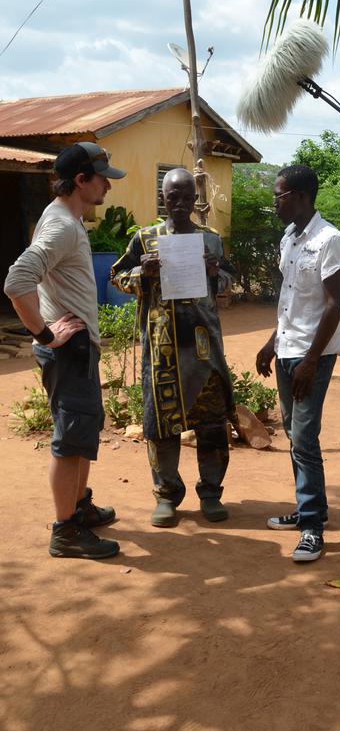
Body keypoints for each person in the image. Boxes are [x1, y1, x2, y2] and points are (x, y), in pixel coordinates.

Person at [4, 142, 126, 560]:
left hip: (76, 348)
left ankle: (79, 507)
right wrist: (42, 334)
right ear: (81, 179)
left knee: (83, 429)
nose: (108, 187)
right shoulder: (62, 226)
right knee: (71, 439)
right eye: (103, 178)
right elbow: (17, 280)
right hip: (67, 349)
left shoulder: (62, 219)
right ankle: (65, 530)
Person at [110, 168, 234, 528]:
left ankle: (210, 492)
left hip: (203, 347)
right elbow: (116, 276)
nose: (179, 204)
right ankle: (166, 496)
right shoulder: (145, 239)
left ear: (195, 199)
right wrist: (140, 274)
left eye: (186, 197)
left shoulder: (211, 240)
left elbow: (229, 281)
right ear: (162, 199)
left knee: (211, 424)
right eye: (172, 197)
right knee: (160, 425)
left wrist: (216, 275)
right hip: (162, 348)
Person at [255, 164, 340, 563]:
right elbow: (292, 301)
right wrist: (271, 343)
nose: (274, 202)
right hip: (289, 348)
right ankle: (308, 508)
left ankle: (312, 527)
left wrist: (312, 359)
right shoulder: (289, 239)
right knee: (295, 434)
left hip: (315, 354)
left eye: (279, 195)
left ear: (300, 196)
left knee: (305, 437)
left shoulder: (331, 241)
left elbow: (333, 304)